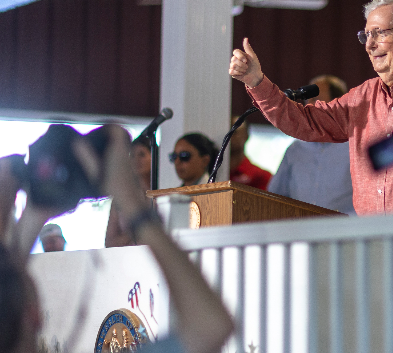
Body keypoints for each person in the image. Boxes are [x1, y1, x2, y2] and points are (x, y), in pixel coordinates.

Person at [229, 0, 393, 215]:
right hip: (367, 246)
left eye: (380, 32)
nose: (370, 44)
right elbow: (303, 122)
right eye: (367, 35)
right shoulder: (362, 97)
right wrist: (256, 81)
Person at [0, 126, 234, 353]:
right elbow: (211, 326)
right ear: (35, 316)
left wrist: (31, 217)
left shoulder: (16, 299)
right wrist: (131, 200)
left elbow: (9, 287)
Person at [268, 75, 354, 214]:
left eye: (315, 99)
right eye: (308, 100)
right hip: (300, 232)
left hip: (345, 232)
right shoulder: (295, 150)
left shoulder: (355, 148)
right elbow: (273, 196)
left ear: (337, 105)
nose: (308, 105)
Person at [229, 117, 272, 191]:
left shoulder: (261, 176)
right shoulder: (213, 172)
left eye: (234, 132)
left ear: (246, 136)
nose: (229, 137)